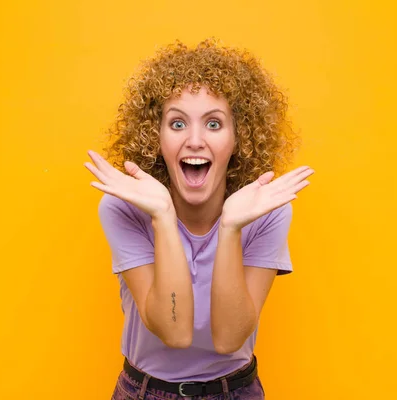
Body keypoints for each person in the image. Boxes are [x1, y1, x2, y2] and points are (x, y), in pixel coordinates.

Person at [84, 38, 314, 400]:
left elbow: (228, 339)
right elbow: (175, 333)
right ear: (155, 138)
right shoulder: (124, 208)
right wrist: (161, 215)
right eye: (177, 124)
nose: (194, 140)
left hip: (235, 390)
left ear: (238, 138)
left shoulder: (267, 212)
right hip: (144, 392)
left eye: (213, 123)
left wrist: (230, 227)